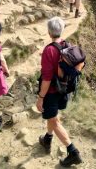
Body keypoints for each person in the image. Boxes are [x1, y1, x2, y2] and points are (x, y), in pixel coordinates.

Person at [36, 17, 83, 166]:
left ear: (49, 32)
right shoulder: (68, 46)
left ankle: (73, 151)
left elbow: (47, 78)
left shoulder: (49, 50)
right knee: (53, 118)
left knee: (54, 121)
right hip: (64, 90)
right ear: (62, 31)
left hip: (51, 92)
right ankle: (47, 140)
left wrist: (40, 97)